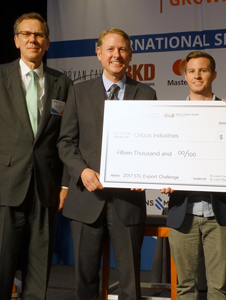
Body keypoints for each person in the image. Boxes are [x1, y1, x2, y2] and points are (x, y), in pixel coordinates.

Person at [0, 12, 72, 300]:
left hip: (46, 189)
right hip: (5, 188)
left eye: (39, 35)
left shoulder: (62, 83)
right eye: (27, 34)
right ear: (16, 41)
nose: (33, 39)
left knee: (39, 273)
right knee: (2, 270)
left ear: (47, 42)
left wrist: (65, 184)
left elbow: (66, 138)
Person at [58, 28, 157, 300]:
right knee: (85, 280)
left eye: (122, 49)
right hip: (87, 199)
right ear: (99, 53)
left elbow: (153, 145)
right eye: (111, 49)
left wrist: (144, 174)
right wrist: (82, 171)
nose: (117, 55)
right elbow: (65, 143)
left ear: (131, 55)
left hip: (128, 202)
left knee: (130, 281)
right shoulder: (78, 92)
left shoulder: (146, 94)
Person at [160, 50, 226, 300]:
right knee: (184, 287)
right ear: (185, 76)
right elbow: (161, 156)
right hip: (182, 212)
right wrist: (161, 178)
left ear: (214, 74)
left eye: (203, 70)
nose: (197, 75)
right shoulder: (169, 116)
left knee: (219, 289)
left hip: (220, 213)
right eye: (192, 71)